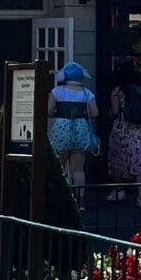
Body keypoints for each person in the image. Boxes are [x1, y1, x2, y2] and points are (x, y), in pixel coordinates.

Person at [106, 58, 141, 210]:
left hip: (123, 130)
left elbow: (115, 112)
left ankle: (118, 191)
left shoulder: (118, 91)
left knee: (117, 161)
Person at [45, 61, 98, 195]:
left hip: (61, 129)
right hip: (80, 129)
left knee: (60, 167)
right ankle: (80, 201)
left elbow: (49, 111)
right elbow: (95, 112)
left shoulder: (57, 91)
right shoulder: (87, 93)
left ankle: (61, 198)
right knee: (78, 169)